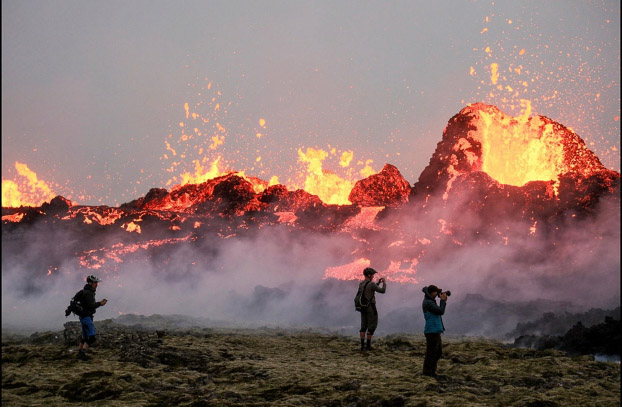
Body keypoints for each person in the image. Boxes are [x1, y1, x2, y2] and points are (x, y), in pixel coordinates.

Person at [76, 274, 107, 360]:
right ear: (90, 283)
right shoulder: (89, 293)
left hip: (83, 316)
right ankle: (82, 354)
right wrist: (100, 303)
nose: (96, 284)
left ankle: (80, 352)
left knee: (84, 337)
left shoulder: (85, 291)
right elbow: (91, 305)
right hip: (86, 317)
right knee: (92, 337)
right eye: (95, 283)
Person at [358, 267, 386, 352]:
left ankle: (362, 346)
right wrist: (384, 283)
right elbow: (382, 291)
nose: (373, 276)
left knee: (363, 326)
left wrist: (377, 283)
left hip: (363, 307)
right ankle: (368, 345)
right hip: (370, 307)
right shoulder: (371, 284)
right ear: (369, 275)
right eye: (373, 275)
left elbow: (369, 289)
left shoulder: (361, 283)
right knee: (372, 325)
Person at [421, 285, 447, 377]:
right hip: (431, 330)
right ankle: (427, 373)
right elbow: (440, 311)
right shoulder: (428, 303)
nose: (437, 294)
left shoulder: (430, 301)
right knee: (431, 353)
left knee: (437, 352)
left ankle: (431, 371)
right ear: (432, 293)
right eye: (436, 292)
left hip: (435, 330)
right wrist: (443, 301)